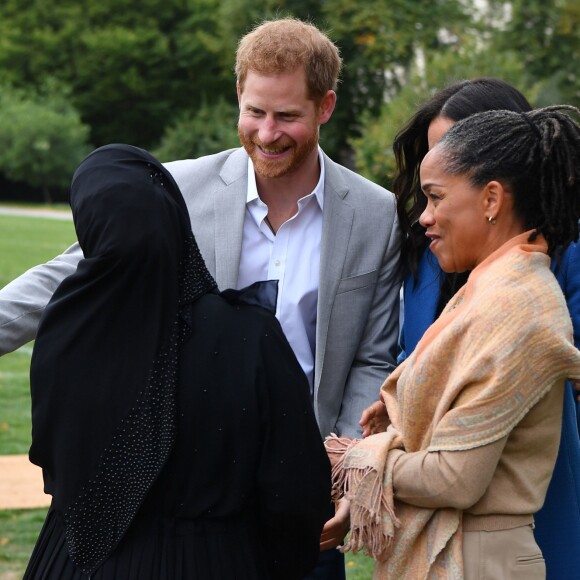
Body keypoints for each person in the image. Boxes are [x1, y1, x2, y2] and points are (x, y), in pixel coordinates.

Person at [0, 17, 401, 577]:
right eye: (254, 111)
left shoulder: (376, 215)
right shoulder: (178, 187)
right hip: (191, 494)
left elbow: (370, 357)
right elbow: (68, 277)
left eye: (287, 116)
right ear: (238, 93)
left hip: (303, 497)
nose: (266, 133)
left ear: (326, 106)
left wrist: (341, 471)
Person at [24, 143, 331, 579]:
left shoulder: (66, 333)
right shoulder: (250, 336)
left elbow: (54, 464)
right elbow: (294, 493)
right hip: (214, 559)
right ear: (175, 219)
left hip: (75, 556)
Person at [326, 106, 580, 579]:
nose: (424, 217)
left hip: (480, 561)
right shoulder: (492, 287)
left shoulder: (517, 307)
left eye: (435, 197)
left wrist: (356, 458)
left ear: (491, 199)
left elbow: (455, 478)